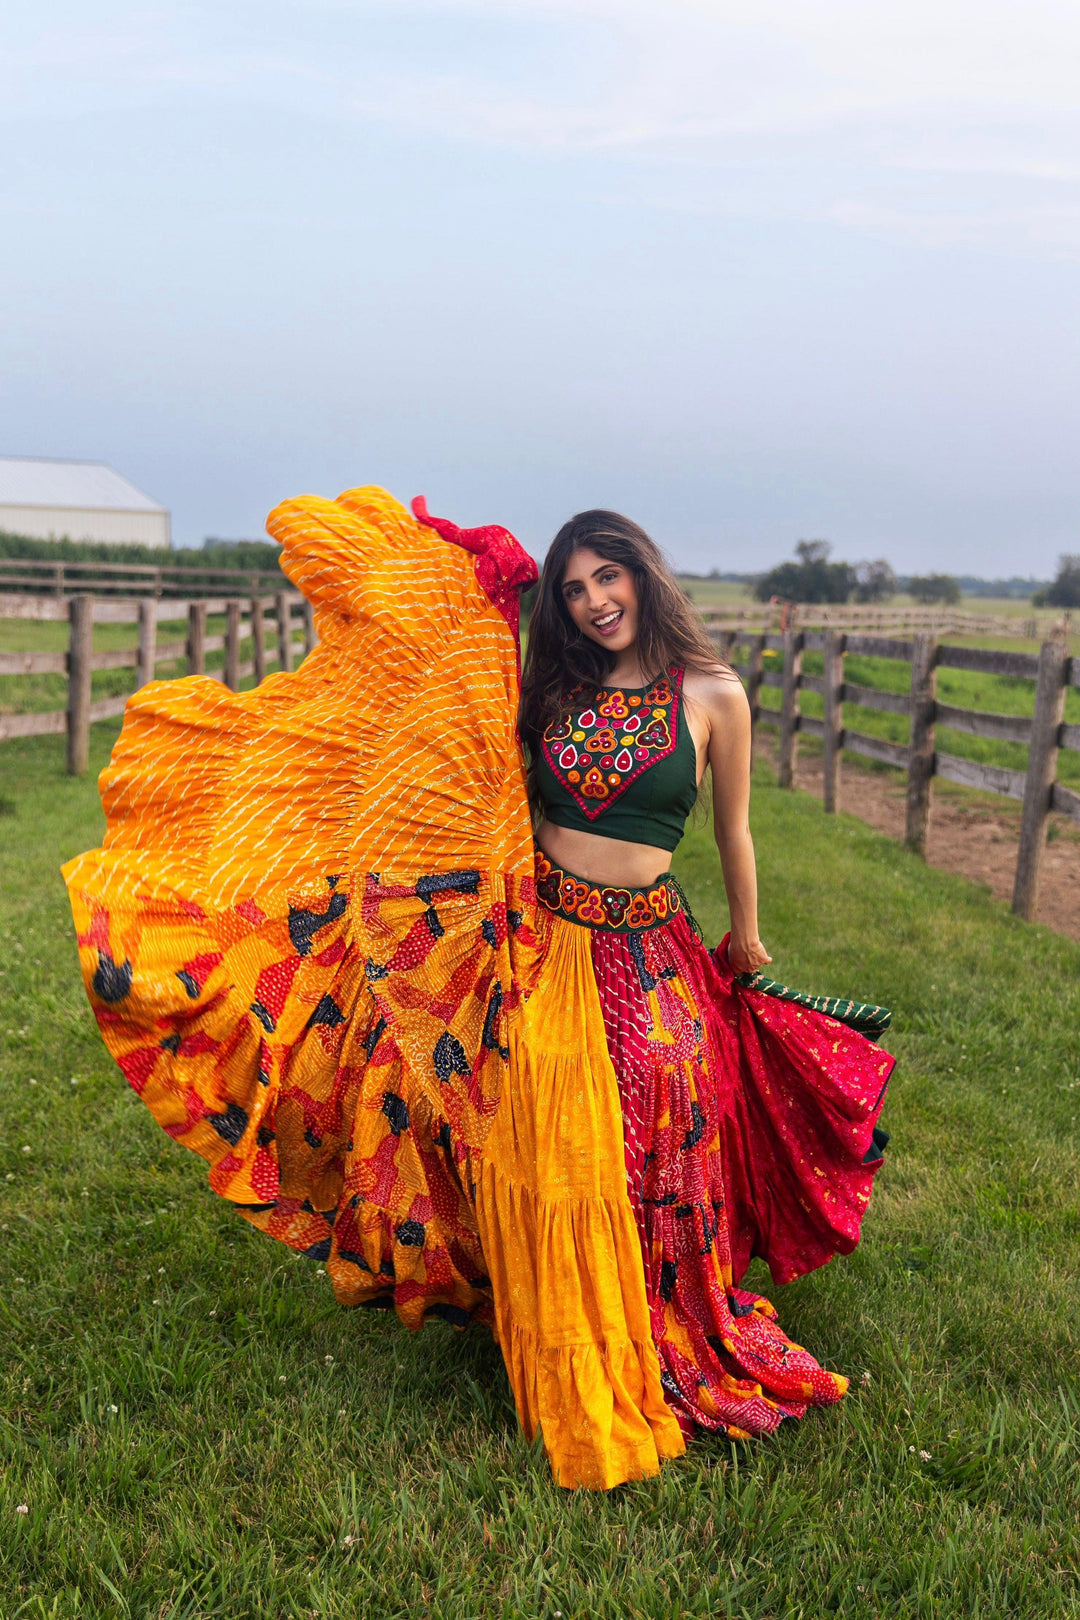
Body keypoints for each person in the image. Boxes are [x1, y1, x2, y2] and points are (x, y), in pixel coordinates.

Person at [63, 487, 892, 1492]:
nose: (595, 600)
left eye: (609, 576)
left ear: (643, 575)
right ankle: (565, 1321)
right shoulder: (551, 690)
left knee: (663, 1119)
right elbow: (459, 722)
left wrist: (747, 936)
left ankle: (656, 1313)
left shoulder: (713, 694)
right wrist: (465, 576)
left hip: (652, 949)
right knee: (542, 1136)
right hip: (542, 938)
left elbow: (734, 831)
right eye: (574, 587)